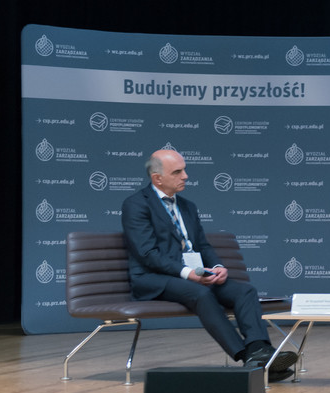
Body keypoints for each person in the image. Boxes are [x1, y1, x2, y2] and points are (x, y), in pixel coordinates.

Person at [121, 148, 298, 380]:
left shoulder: (187, 206)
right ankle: (248, 356)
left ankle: (259, 350)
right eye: (177, 172)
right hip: (154, 279)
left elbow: (202, 245)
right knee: (200, 294)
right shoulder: (136, 205)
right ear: (157, 178)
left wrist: (216, 267)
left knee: (245, 291)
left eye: (184, 170)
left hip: (195, 276)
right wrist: (187, 273)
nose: (185, 176)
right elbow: (147, 254)